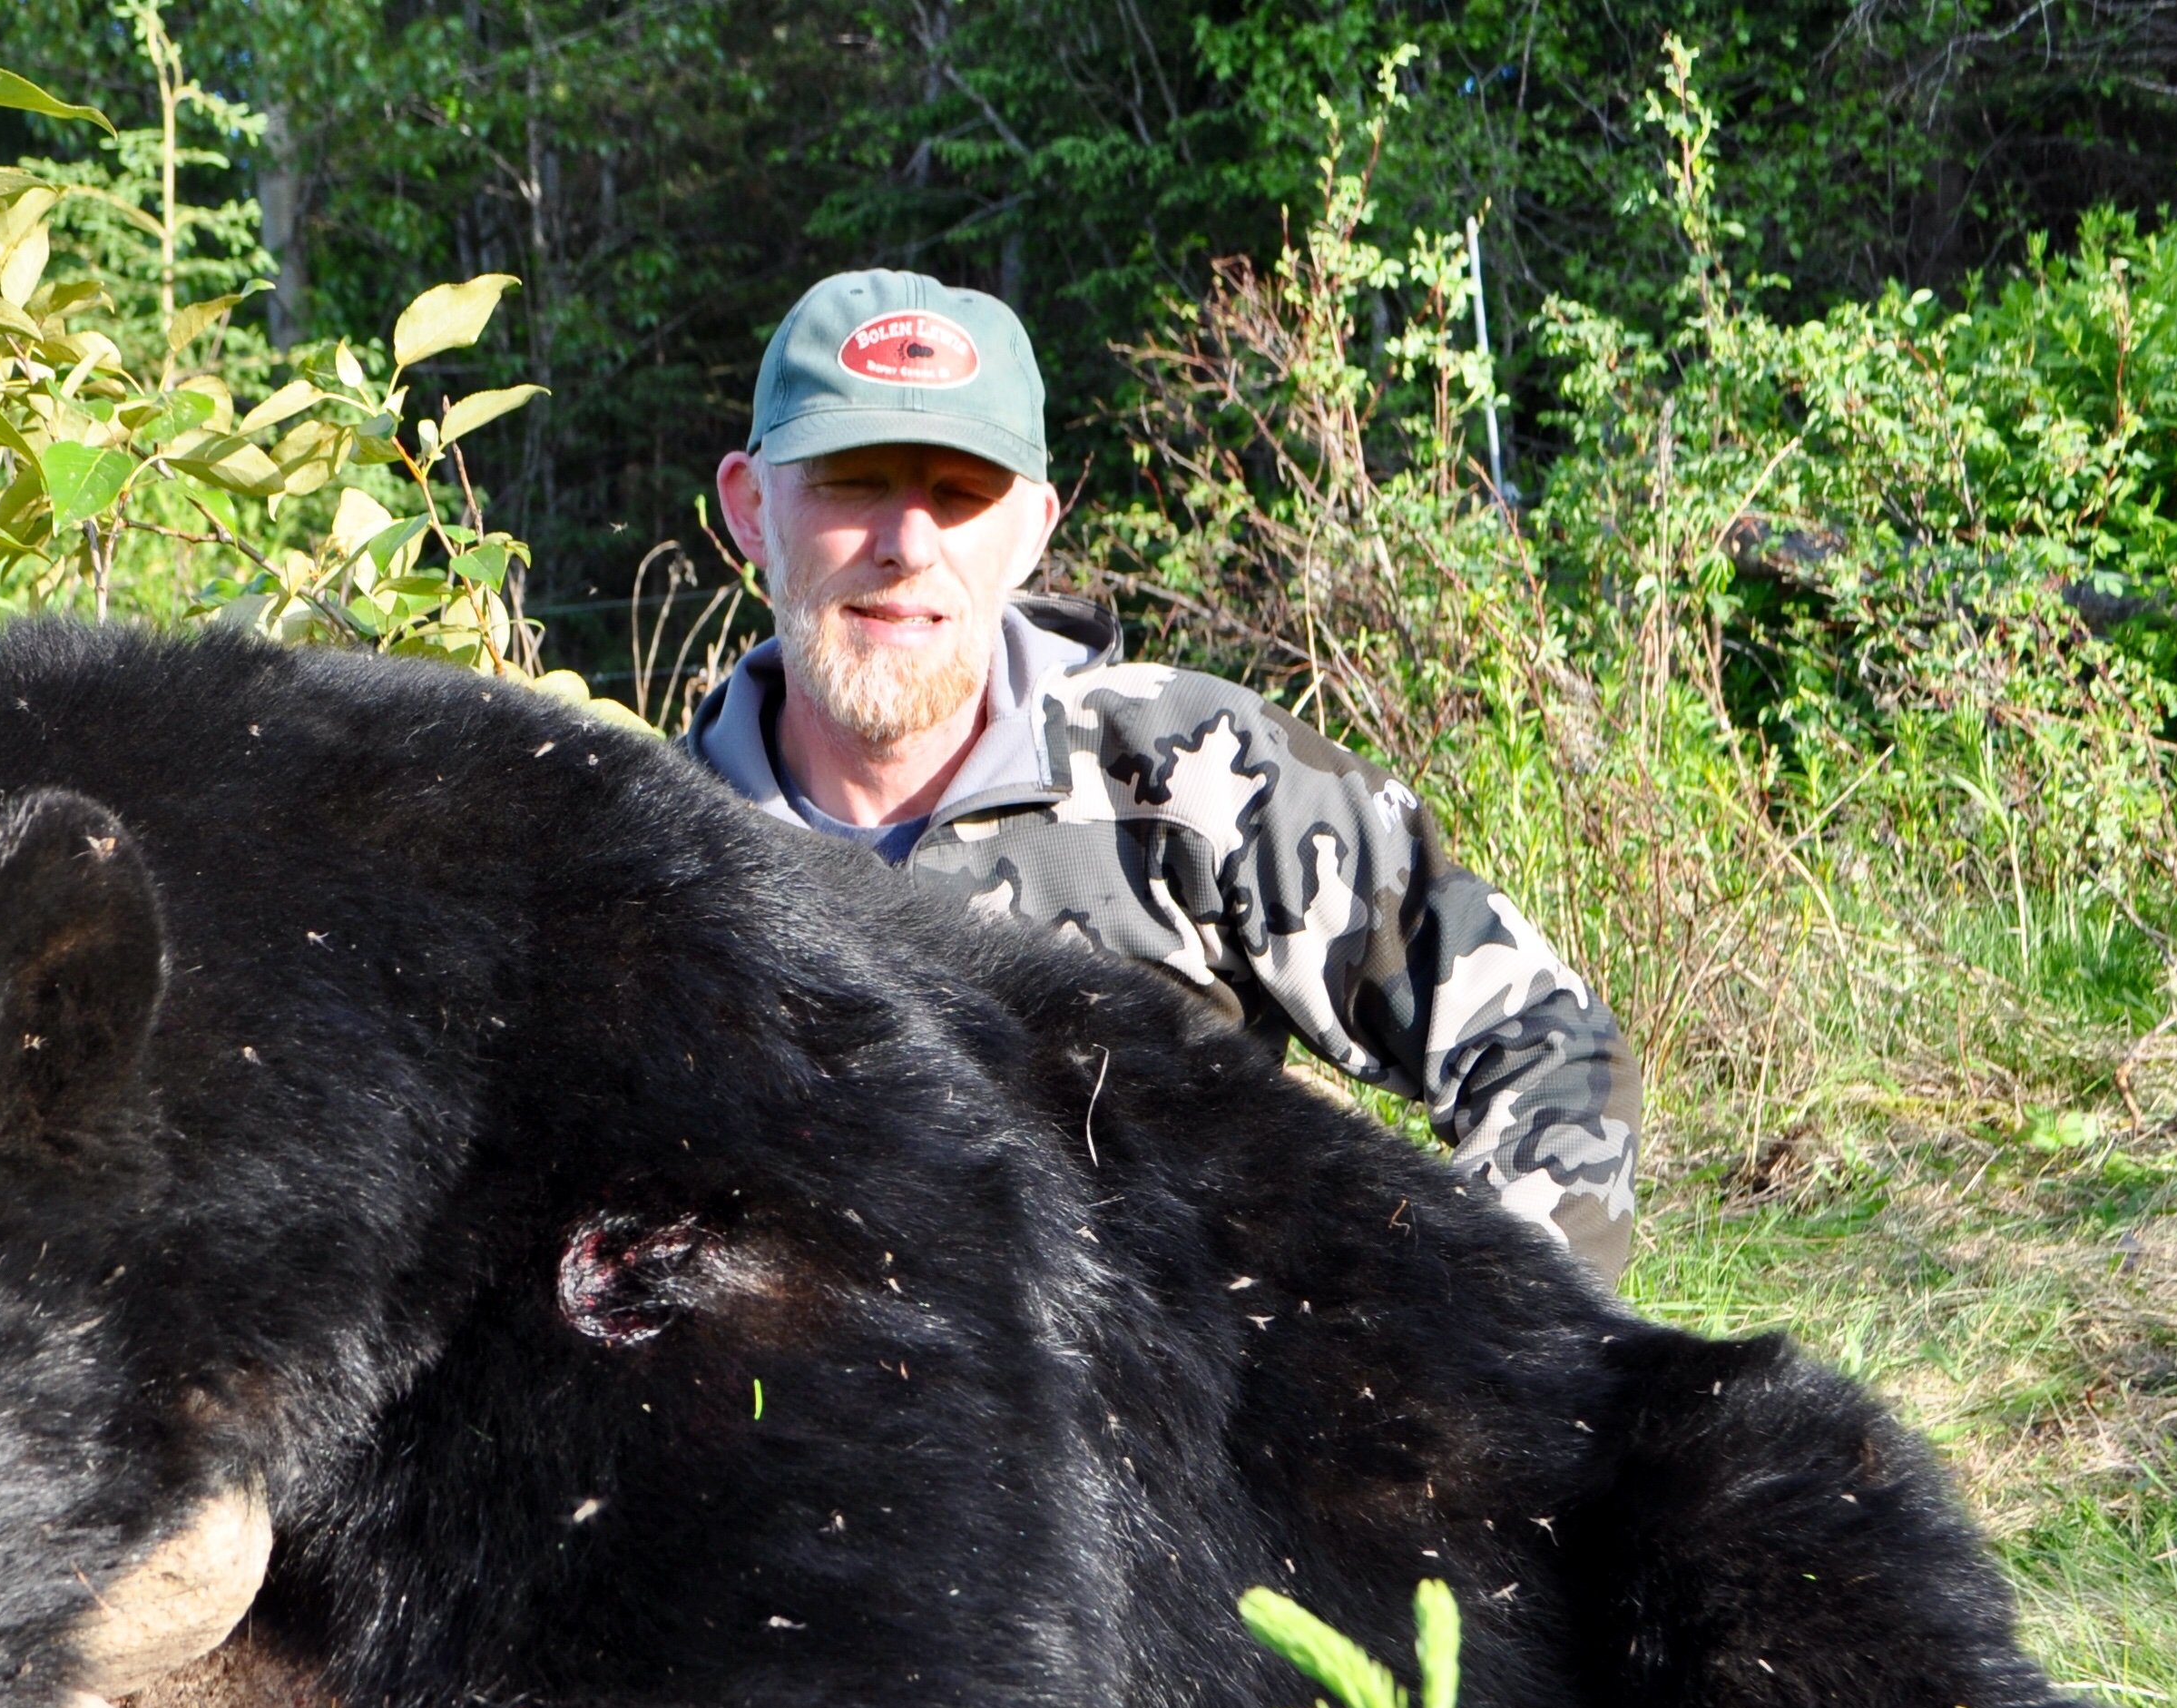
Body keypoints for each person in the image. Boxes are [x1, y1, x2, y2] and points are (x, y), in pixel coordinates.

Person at [688, 270, 1639, 1281]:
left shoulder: (1200, 774)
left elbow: (1545, 1046)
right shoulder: (648, 868)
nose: (907, 543)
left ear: (1034, 529)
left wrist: (1482, 1363)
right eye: (851, 478)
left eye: (961, 492)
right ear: (751, 510)